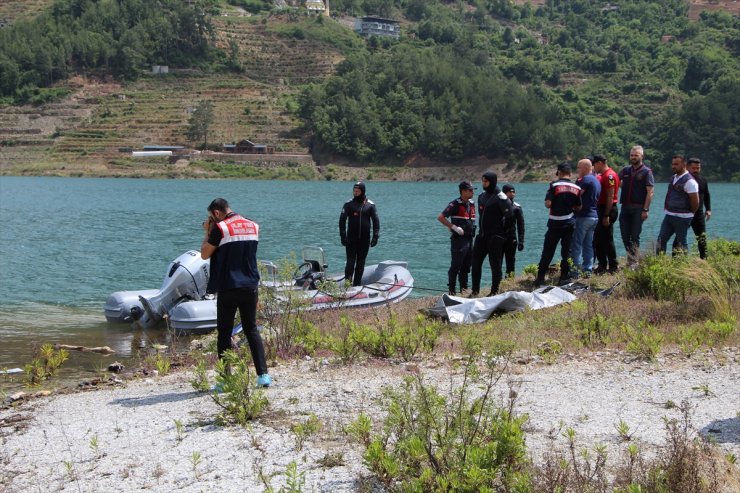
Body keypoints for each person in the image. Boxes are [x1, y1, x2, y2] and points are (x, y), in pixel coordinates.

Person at [200, 198, 271, 388]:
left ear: (216, 213)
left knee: (224, 332)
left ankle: (225, 380)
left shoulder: (220, 228)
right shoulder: (253, 226)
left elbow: (205, 253)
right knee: (251, 329)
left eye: (210, 216)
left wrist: (208, 232)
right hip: (250, 285)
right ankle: (263, 375)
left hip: (228, 286)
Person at [534, 162, 582, 287]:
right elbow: (579, 206)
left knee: (548, 251)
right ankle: (563, 278)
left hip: (555, 223)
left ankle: (540, 278)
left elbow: (548, 204)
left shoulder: (553, 186)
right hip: (569, 223)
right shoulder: (577, 188)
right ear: (570, 173)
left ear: (559, 173)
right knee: (566, 252)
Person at [471, 170, 512, 297]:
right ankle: (475, 290)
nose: (483, 183)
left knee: (495, 264)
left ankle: (494, 291)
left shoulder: (501, 197)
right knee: (475, 262)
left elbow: (510, 217)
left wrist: (501, 234)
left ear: (492, 181)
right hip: (482, 235)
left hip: (495, 236)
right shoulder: (481, 196)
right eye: (482, 181)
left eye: (486, 181)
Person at [437, 181, 476, 295]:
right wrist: (453, 227)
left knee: (466, 266)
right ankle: (452, 291)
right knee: (456, 265)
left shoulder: (472, 204)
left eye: (473, 190)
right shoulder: (455, 204)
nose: (472, 192)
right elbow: (441, 217)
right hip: (459, 240)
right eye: (470, 190)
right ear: (463, 191)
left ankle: (464, 289)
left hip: (470, 238)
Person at [618, 145, 654, 267]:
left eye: (636, 155)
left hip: (638, 208)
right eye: (632, 155)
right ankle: (631, 258)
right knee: (624, 235)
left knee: (635, 235)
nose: (633, 157)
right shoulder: (625, 170)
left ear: (642, 156)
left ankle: (634, 261)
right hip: (625, 207)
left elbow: (650, 192)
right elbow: (616, 181)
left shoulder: (647, 172)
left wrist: (645, 209)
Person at [656, 155, 700, 255]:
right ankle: (658, 263)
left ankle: (684, 266)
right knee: (661, 240)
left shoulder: (690, 181)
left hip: (683, 217)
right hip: (669, 215)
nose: (673, 166)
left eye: (676, 164)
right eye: (672, 164)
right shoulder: (673, 178)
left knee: (681, 243)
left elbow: (695, 202)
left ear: (684, 164)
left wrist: (690, 213)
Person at [339, 181, 380, 286]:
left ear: (363, 191)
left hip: (364, 240)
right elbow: (342, 220)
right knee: (350, 263)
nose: (355, 192)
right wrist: (343, 236)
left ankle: (356, 285)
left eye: (358, 191)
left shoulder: (370, 205)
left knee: (360, 264)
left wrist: (375, 236)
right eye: (354, 190)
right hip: (351, 240)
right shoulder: (348, 204)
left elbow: (376, 221)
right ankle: (347, 286)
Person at [570, 159, 601, 277]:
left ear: (585, 168)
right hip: (594, 216)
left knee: (576, 244)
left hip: (583, 216)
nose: (577, 170)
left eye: (579, 167)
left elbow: (576, 195)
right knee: (588, 244)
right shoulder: (596, 180)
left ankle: (575, 271)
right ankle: (588, 269)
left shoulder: (585, 180)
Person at [592, 154, 620, 274]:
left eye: (594, 165)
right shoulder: (603, 175)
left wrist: (606, 215)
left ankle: (613, 266)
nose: (594, 168)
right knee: (598, 239)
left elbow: (610, 195)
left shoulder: (609, 175)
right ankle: (602, 265)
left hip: (607, 209)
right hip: (602, 208)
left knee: (607, 239)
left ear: (599, 163)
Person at [688, 157, 711, 259]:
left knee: (702, 239)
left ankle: (704, 261)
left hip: (699, 214)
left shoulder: (703, 180)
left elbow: (706, 195)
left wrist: (709, 209)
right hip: (685, 214)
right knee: (679, 238)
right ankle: (676, 260)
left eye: (698, 168)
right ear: (688, 167)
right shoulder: (683, 180)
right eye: (693, 168)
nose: (696, 170)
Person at [501, 184, 525, 277]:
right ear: (504, 193)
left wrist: (521, 241)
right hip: (498, 238)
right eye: (509, 192)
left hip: (511, 239)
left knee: (510, 262)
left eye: (513, 192)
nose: (512, 194)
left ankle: (509, 282)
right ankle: (497, 283)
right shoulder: (497, 205)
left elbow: (521, 225)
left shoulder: (517, 207)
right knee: (497, 262)